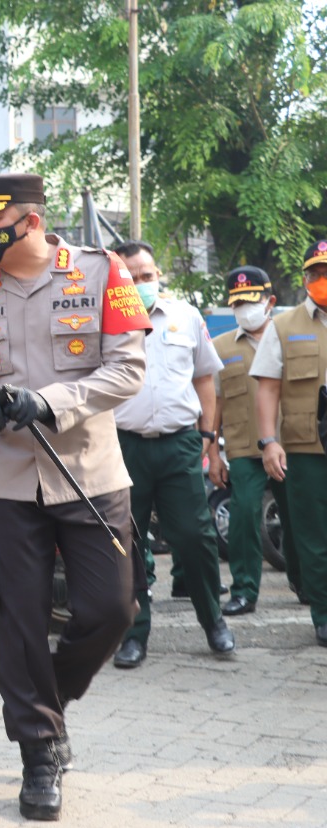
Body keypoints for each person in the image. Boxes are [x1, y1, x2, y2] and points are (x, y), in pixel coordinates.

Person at [0, 174, 150, 821]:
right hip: (5, 481)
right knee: (21, 614)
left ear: (26, 221)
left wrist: (49, 401)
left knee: (111, 607)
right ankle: (38, 749)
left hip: (89, 471)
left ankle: (46, 696)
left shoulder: (101, 270)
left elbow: (129, 368)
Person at [108, 240, 233, 667]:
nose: (142, 283)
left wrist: (206, 437)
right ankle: (133, 635)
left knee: (195, 537)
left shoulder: (186, 316)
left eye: (148, 275)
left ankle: (213, 621)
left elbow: (204, 381)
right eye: (131, 276)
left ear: (158, 274)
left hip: (180, 442)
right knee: (127, 542)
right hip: (124, 446)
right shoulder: (102, 322)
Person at [209, 267, 301, 614]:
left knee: (297, 518)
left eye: (251, 302)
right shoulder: (219, 348)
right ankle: (244, 590)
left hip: (292, 446)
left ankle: (303, 581)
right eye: (237, 303)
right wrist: (213, 454)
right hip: (245, 450)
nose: (243, 309)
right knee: (244, 516)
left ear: (270, 301)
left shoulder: (290, 338)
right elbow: (214, 405)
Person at [251, 238, 327, 648]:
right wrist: (269, 442)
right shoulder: (284, 326)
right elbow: (267, 389)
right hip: (306, 448)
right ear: (305, 279)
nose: (323, 280)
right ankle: (324, 612)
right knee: (313, 536)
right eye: (316, 273)